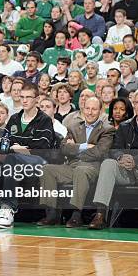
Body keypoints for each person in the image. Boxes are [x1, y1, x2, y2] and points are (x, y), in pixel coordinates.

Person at [89, 89, 138, 231]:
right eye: (136, 102)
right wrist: (120, 157)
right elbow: (114, 149)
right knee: (108, 163)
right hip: (125, 171)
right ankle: (100, 214)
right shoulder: (125, 126)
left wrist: (135, 160)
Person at [0, 81, 56, 228]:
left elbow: (41, 148)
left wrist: (16, 148)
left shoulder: (44, 120)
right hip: (14, 159)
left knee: (11, 158)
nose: (24, 100)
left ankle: (8, 207)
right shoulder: (14, 119)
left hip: (39, 162)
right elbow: (5, 144)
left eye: (28, 97)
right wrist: (20, 148)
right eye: (22, 97)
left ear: (36, 99)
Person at [38, 97, 115, 227]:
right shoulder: (73, 127)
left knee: (81, 171)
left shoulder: (107, 129)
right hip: (71, 166)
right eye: (87, 108)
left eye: (94, 109)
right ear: (83, 109)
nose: (90, 112)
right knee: (47, 169)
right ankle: (51, 214)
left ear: (100, 111)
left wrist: (74, 148)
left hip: (92, 168)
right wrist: (84, 146)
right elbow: (63, 148)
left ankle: (76, 214)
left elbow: (99, 152)